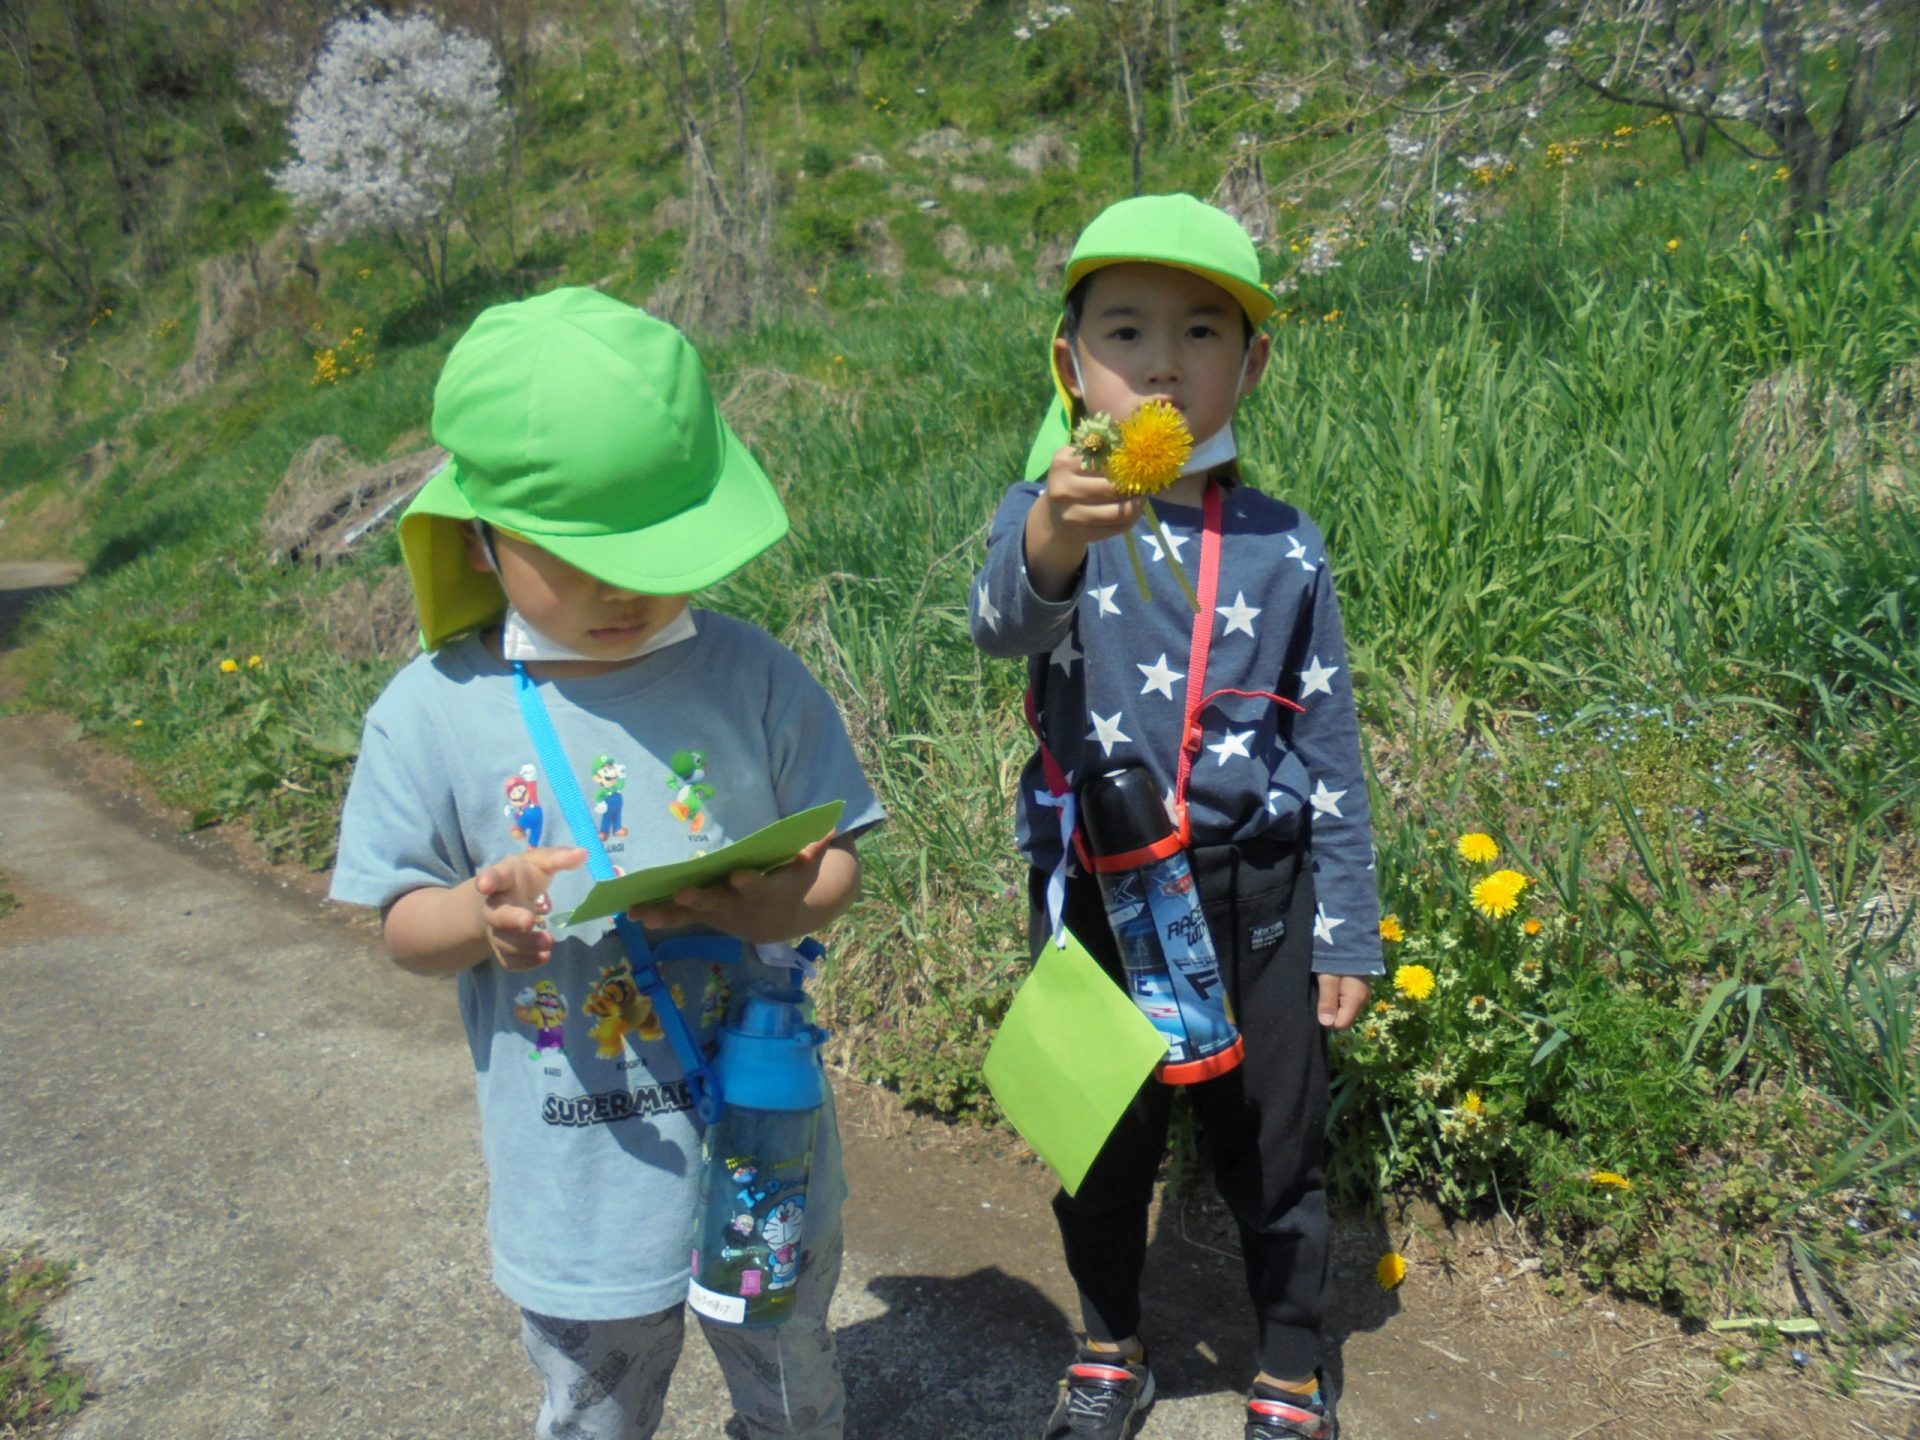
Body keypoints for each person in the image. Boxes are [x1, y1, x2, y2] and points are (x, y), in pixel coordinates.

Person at [330, 287, 885, 1440]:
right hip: (578, 1187)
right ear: (479, 536)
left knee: (789, 1378)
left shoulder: (753, 675)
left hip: (762, 1136)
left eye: (650, 550)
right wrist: (477, 921)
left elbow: (837, 866)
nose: (618, 588)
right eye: (571, 557)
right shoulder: (434, 710)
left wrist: (778, 901)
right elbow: (403, 927)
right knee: (594, 1407)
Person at [969, 194, 1383, 1440]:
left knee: (1275, 1144)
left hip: (1257, 891)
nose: (1161, 363)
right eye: (1125, 332)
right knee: (1100, 1138)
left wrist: (1346, 923)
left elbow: (1329, 745)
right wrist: (1053, 526)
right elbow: (1001, 624)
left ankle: (1292, 1366)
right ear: (1070, 365)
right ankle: (1108, 1345)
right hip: (1099, 891)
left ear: (1250, 367)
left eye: (1202, 332)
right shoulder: (1052, 514)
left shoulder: (1286, 544)